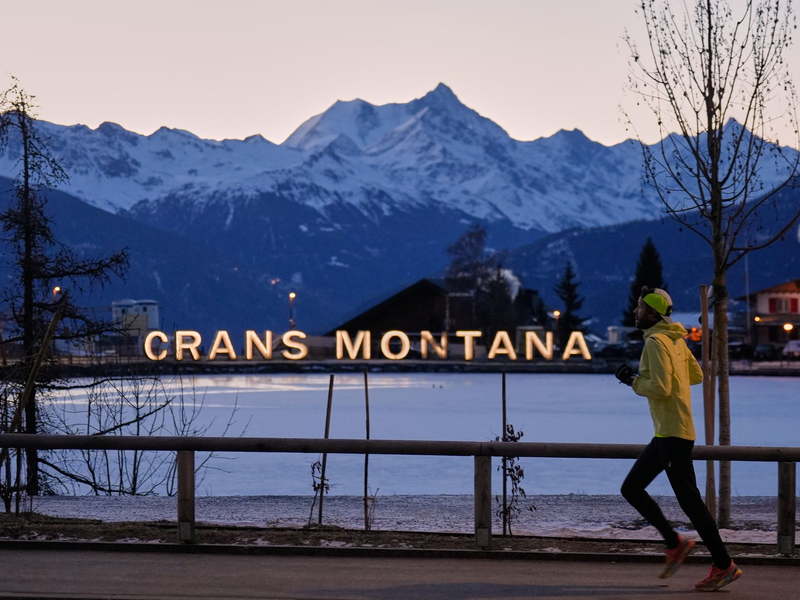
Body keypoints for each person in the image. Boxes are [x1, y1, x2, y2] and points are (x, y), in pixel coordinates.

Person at [615, 287, 741, 592]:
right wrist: (671, 375)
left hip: (673, 434)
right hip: (668, 432)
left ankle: (724, 565)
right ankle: (674, 543)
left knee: (692, 504)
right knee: (631, 488)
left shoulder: (656, 342)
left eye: (640, 307)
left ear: (653, 313)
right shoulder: (674, 339)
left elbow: (660, 388)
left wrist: (632, 380)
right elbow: (696, 376)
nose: (635, 311)